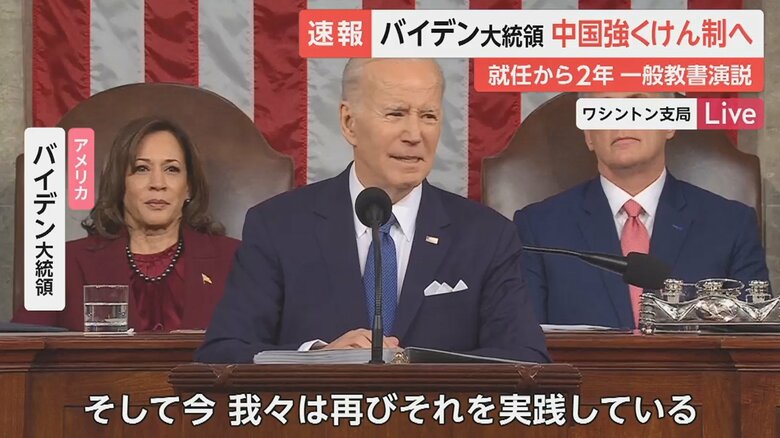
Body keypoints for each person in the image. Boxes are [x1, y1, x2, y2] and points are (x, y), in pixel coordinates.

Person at [196, 58, 549, 363]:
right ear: (349, 123)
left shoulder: (486, 235)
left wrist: (419, 370)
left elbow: (526, 357)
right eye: (396, 114)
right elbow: (223, 352)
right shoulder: (278, 226)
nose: (415, 134)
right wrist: (317, 358)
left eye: (428, 116)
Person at [514, 91, 770, 329]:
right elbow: (525, 342)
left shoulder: (731, 224)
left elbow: (752, 340)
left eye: (637, 105)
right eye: (604, 109)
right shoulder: (538, 227)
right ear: (589, 135)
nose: (621, 119)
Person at [13, 117, 240, 331]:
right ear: (119, 183)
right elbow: (22, 349)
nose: (158, 183)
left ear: (188, 186)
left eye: (172, 169)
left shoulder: (235, 259)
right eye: (142, 169)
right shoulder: (63, 263)